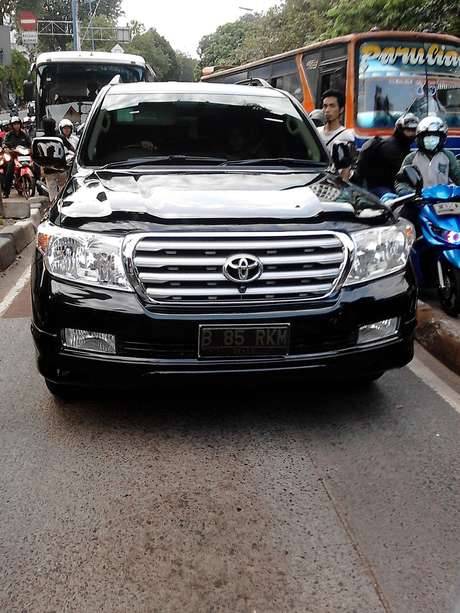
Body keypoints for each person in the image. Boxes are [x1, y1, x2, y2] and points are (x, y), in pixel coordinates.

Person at [354, 113, 419, 197]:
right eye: (408, 130)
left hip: (388, 187)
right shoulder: (391, 147)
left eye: (414, 130)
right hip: (380, 188)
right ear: (400, 130)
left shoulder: (401, 146)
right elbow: (401, 172)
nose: (411, 134)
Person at [395, 116, 460, 195]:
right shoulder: (411, 158)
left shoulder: (448, 156)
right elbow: (401, 181)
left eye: (435, 137)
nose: (431, 141)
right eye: (427, 137)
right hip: (419, 201)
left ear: (442, 139)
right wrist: (408, 192)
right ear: (420, 138)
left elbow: (458, 177)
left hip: (443, 201)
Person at [317, 89, 355, 179]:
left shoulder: (347, 135)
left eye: (332, 106)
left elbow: (346, 168)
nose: (327, 110)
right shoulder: (316, 132)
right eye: (325, 106)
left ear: (341, 109)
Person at [2, 116, 32, 198]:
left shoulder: (24, 134)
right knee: (9, 171)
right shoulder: (9, 135)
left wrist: (31, 149)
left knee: (35, 166)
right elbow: (4, 143)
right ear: (12, 126)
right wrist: (6, 148)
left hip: (24, 155)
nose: (16, 126)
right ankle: (6, 192)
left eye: (18, 124)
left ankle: (40, 188)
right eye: (14, 124)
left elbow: (30, 143)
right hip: (13, 156)